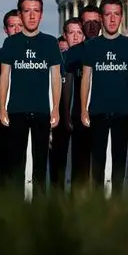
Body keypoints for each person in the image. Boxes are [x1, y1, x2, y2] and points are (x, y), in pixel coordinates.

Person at [0, 0, 62, 197]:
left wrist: (56, 108)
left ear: (41, 15)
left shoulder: (50, 42)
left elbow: (56, 78)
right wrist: (2, 108)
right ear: (20, 14)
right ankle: (17, 210)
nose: (32, 16)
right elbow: (4, 77)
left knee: (40, 165)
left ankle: (40, 211)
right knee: (16, 164)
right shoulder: (11, 44)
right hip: (16, 110)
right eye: (27, 11)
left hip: (42, 110)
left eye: (36, 11)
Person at [80, 0, 128, 194]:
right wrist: (83, 108)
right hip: (97, 110)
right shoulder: (91, 46)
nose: (112, 19)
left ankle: (116, 204)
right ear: (101, 17)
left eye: (116, 14)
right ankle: (97, 204)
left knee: (119, 161)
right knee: (96, 162)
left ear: (122, 17)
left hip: (122, 111)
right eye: (108, 14)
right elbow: (86, 78)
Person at [66, 5, 102, 191]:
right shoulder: (73, 54)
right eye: (88, 22)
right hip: (80, 116)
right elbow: (68, 87)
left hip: (105, 115)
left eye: (96, 21)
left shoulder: (112, 49)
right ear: (81, 24)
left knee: (102, 168)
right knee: (80, 167)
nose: (92, 26)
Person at [0, 9, 23, 194]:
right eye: (12, 26)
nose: (16, 29)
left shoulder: (33, 53)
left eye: (20, 25)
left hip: (25, 116)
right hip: (2, 118)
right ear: (5, 29)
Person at [50, 17, 83, 189]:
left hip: (80, 116)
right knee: (58, 161)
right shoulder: (58, 61)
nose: (76, 37)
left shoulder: (87, 60)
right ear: (65, 35)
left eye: (79, 32)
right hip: (59, 118)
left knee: (81, 164)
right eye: (72, 33)